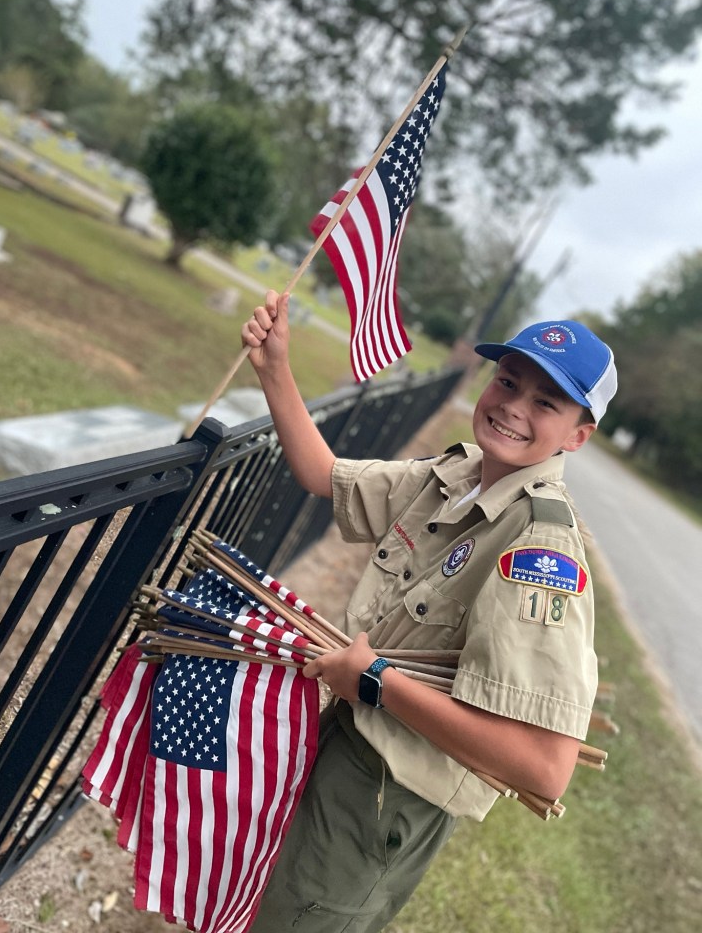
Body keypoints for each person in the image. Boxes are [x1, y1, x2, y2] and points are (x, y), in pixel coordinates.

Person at [240, 290, 618, 933]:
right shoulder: (457, 476)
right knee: (262, 904)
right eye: (508, 381)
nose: (513, 407)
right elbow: (325, 475)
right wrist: (275, 367)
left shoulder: (540, 547)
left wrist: (376, 682)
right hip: (344, 741)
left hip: (387, 795)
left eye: (545, 403)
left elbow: (546, 768)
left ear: (578, 435)